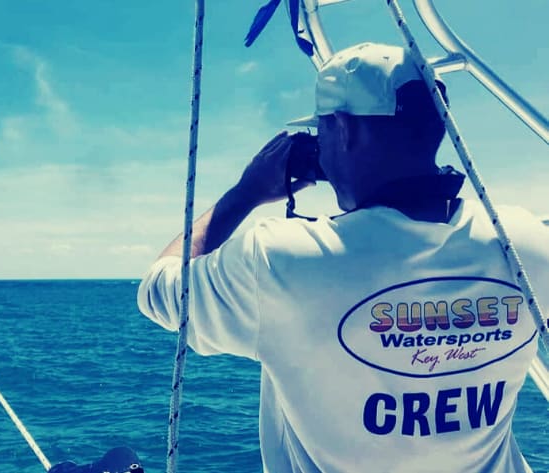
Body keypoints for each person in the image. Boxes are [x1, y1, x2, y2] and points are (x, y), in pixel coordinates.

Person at [137, 42, 549, 472]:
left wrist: (246, 194)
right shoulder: (526, 242)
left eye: (322, 131)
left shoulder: (283, 260)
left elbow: (158, 290)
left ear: (345, 129)